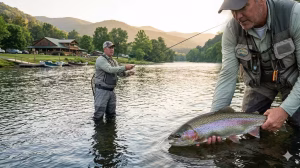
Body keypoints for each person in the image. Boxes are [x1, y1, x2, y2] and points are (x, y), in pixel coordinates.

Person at [208, 0, 300, 144]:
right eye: (233, 11)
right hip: (259, 83)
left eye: (243, 8)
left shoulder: (295, 15)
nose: (238, 16)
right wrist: (212, 124)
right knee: (248, 134)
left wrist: (284, 110)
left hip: (293, 81)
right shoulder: (232, 30)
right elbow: (227, 76)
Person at [93, 41, 135, 122]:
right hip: (102, 91)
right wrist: (125, 67)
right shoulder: (100, 59)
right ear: (105, 49)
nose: (112, 49)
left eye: (113, 48)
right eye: (110, 48)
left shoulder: (114, 61)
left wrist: (128, 73)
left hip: (111, 91)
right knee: (98, 115)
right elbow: (110, 70)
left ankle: (111, 133)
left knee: (111, 114)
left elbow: (119, 73)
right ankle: (99, 133)